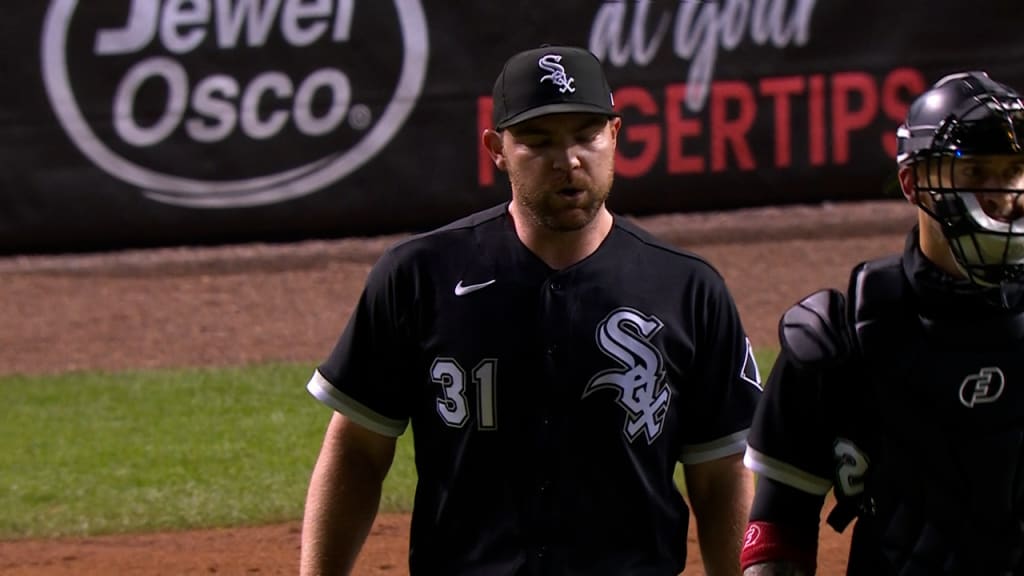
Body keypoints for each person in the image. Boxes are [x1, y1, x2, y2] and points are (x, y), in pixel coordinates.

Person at [300, 44, 763, 576]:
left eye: (586, 135)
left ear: (614, 135)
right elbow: (357, 449)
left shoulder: (687, 288)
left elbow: (721, 474)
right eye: (538, 141)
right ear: (497, 148)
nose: (567, 159)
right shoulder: (418, 276)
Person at [740, 70, 1024, 575]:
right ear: (913, 183)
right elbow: (780, 526)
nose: (1006, 195)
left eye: (1015, 172)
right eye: (979, 172)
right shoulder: (838, 341)